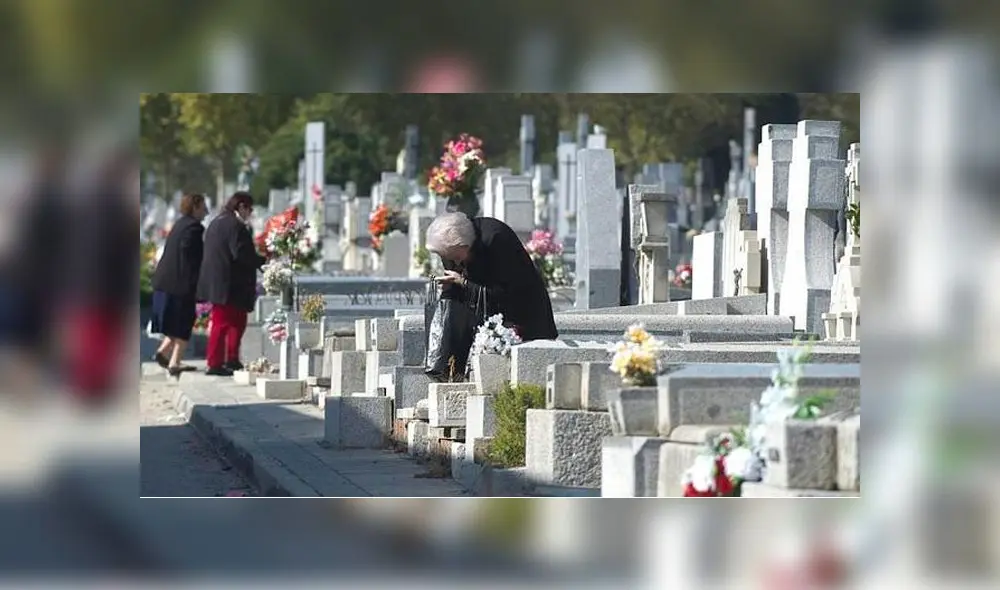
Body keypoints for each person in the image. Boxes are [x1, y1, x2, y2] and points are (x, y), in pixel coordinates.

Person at [426, 212, 558, 343]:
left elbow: (502, 293)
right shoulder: (452, 247)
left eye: (456, 258)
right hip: (484, 321)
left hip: (523, 317)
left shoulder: (496, 239)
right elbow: (452, 283)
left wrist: (463, 282)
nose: (456, 264)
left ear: (464, 246)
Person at [197, 192, 265, 376]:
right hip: (230, 284)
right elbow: (240, 254)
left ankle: (232, 359)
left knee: (236, 322)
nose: (249, 213)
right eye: (249, 209)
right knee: (223, 323)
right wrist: (262, 261)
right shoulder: (236, 226)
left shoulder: (217, 222)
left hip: (222, 283)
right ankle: (215, 363)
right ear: (241, 206)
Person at [150, 193, 208, 377]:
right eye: (203, 207)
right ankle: (174, 362)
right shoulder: (194, 228)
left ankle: (163, 352)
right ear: (195, 207)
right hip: (180, 284)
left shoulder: (180, 224)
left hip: (165, 281)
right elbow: (193, 258)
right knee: (184, 321)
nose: (206, 211)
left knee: (175, 323)